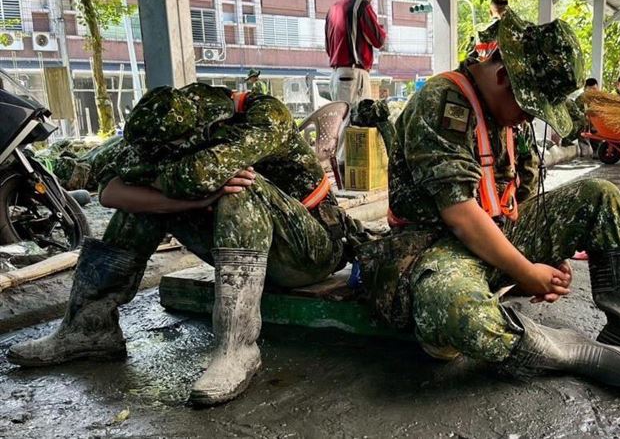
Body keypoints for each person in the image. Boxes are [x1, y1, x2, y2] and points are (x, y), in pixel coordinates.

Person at [362, 9, 620, 395]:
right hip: (437, 249)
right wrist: (525, 271)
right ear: (503, 77)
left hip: (494, 233)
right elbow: (459, 214)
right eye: (528, 106)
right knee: (457, 309)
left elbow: (520, 194)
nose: (528, 117)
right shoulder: (442, 102)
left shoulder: (506, 118)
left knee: (600, 196)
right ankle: (565, 351)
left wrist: (547, 255)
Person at [7, 83, 363, 406]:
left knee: (240, 188)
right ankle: (89, 327)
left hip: (308, 251)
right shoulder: (168, 125)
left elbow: (202, 174)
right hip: (247, 249)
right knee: (144, 207)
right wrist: (185, 202)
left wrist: (154, 180)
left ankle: (237, 349)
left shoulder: (262, 116)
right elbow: (111, 191)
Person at [325, 0, 386, 105]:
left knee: (343, 120)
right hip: (354, 76)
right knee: (358, 120)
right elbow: (379, 40)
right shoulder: (360, 4)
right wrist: (380, 27)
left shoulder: (332, 9)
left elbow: (329, 49)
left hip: (336, 76)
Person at [563, 78, 599, 146]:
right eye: (590, 88)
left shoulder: (597, 99)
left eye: (594, 88)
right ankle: (568, 139)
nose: (592, 91)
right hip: (577, 124)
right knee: (584, 122)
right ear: (585, 89)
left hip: (591, 124)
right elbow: (577, 115)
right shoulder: (581, 99)